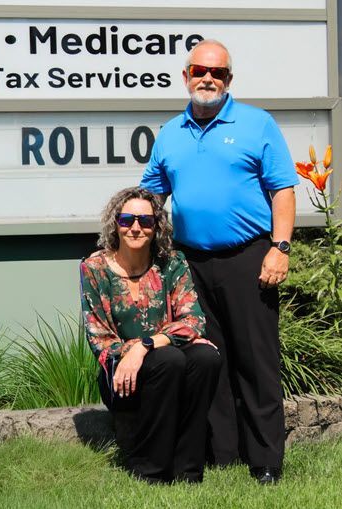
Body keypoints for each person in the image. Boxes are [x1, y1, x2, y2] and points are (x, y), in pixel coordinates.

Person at [141, 39, 298, 484]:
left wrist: (280, 248)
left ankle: (266, 460)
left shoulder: (256, 124)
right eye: (199, 70)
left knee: (256, 362)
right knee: (211, 358)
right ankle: (223, 455)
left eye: (218, 72)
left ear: (229, 79)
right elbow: (152, 194)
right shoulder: (170, 132)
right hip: (190, 262)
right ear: (186, 75)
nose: (207, 78)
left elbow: (283, 190)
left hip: (249, 256)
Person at [80, 186, 221, 484]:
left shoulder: (172, 263)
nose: (135, 228)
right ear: (115, 224)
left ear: (157, 227)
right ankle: (151, 470)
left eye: (145, 221)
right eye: (127, 219)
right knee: (169, 358)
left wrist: (146, 345)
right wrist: (157, 344)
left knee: (206, 357)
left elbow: (195, 320)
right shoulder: (94, 269)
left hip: (165, 360)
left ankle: (188, 471)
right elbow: (101, 341)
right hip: (121, 376)